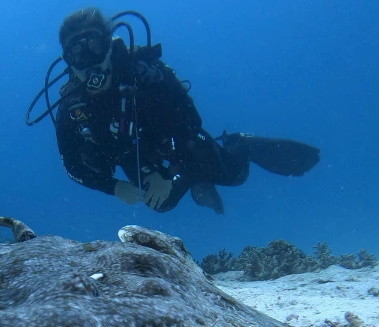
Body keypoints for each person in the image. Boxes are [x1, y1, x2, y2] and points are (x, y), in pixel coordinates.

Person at [29, 7, 321, 214]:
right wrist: (113, 186)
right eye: (76, 53)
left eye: (93, 44)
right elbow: (72, 166)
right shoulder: (71, 106)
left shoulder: (143, 74)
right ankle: (194, 180)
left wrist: (170, 173)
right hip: (133, 155)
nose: (88, 59)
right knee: (161, 205)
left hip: (178, 142)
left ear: (107, 45)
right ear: (68, 62)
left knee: (234, 175)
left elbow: (190, 121)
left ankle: (240, 145)